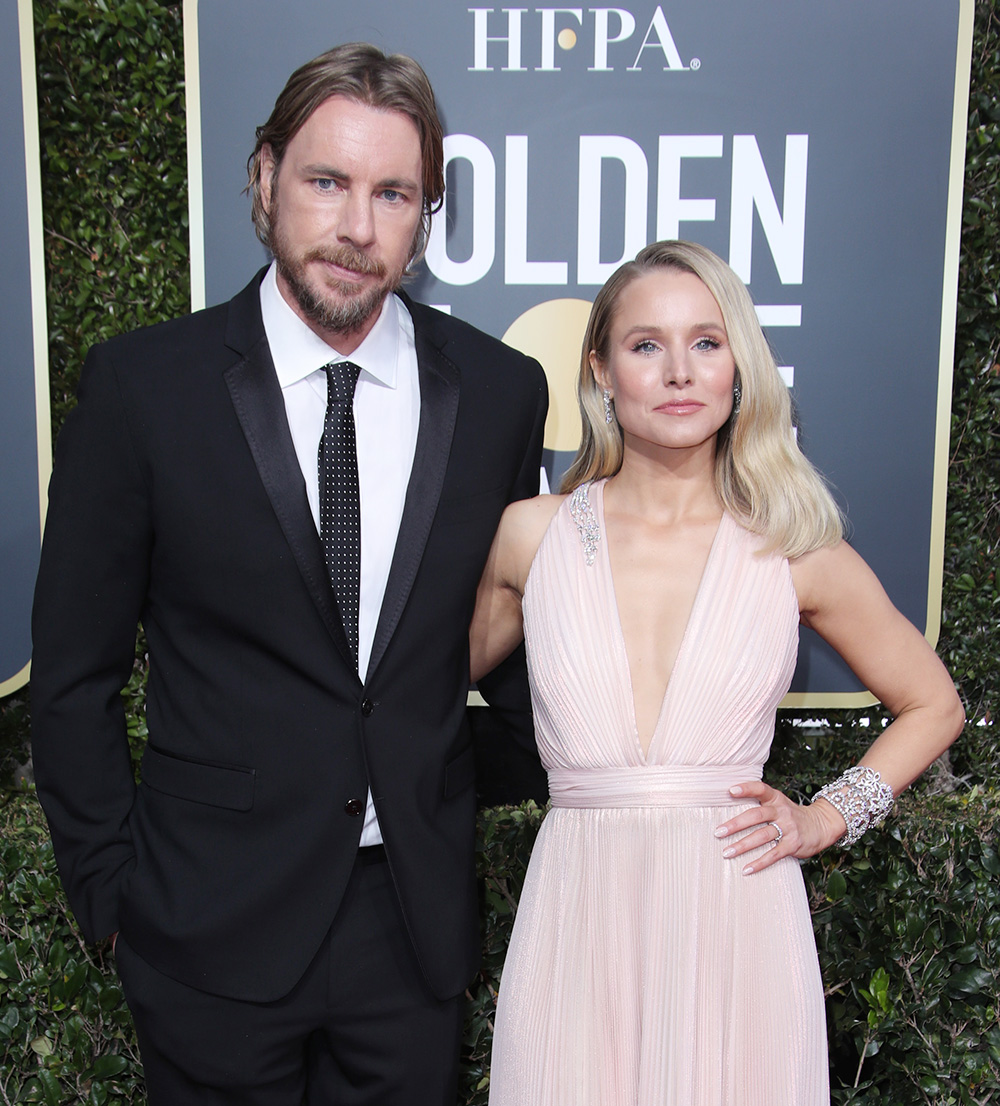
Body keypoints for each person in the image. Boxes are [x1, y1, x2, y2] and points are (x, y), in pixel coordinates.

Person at [31, 43, 547, 1106]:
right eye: (326, 181)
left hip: (410, 931)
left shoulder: (498, 392)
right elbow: (73, 675)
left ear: (424, 215)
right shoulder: (144, 387)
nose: (357, 227)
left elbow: (511, 650)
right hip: (204, 925)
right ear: (264, 179)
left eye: (393, 193)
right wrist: (111, 896)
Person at [469, 239, 964, 1105]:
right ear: (601, 372)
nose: (678, 371)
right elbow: (404, 691)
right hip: (578, 911)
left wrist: (824, 819)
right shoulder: (530, 535)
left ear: (739, 367)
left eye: (706, 341)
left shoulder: (793, 545)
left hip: (735, 914)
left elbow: (934, 703)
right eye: (646, 345)